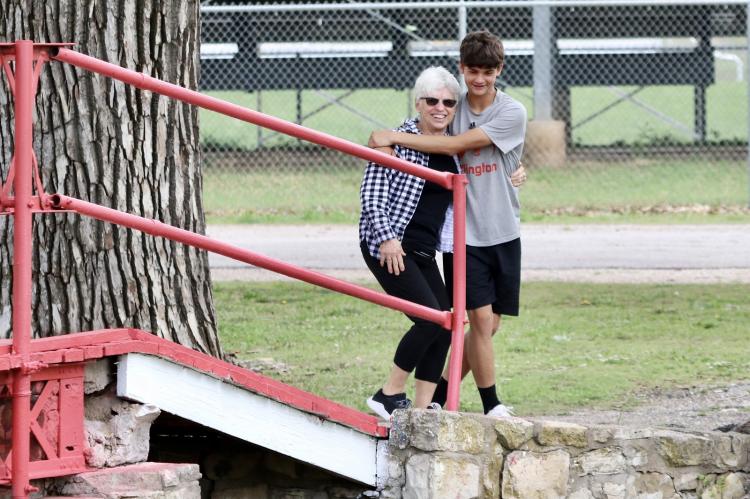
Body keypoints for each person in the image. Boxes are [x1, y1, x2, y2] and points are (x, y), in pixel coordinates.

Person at [368, 30, 527, 418]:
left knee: (488, 328)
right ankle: (492, 404)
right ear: (462, 68)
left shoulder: (507, 112)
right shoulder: (450, 113)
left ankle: (439, 391)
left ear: (499, 70)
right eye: (473, 70)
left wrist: (520, 168)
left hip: (504, 230)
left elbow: (454, 146)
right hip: (463, 239)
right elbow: (423, 129)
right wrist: (389, 138)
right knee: (471, 320)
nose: (479, 79)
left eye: (488, 72)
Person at [359, 66, 461, 420]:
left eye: (448, 102)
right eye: (432, 100)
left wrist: (515, 170)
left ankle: (422, 409)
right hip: (391, 244)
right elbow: (372, 195)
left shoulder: (454, 147)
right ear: (419, 103)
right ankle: (388, 394)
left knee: (447, 323)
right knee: (429, 320)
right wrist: (387, 239)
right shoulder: (396, 140)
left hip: (424, 251)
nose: (440, 108)